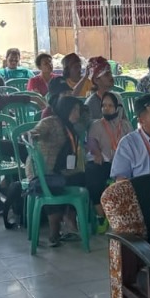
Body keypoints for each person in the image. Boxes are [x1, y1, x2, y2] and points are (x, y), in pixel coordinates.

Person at [28, 95, 87, 245]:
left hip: (61, 171)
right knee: (53, 186)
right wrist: (34, 135)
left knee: (83, 177)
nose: (77, 114)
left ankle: (69, 219)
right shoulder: (50, 122)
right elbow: (36, 132)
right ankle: (55, 228)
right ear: (64, 109)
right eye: (73, 110)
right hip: (44, 172)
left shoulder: (71, 126)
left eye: (78, 110)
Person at [87, 91, 125, 206]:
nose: (106, 109)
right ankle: (100, 214)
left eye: (110, 106)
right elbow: (91, 141)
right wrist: (97, 152)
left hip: (123, 164)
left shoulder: (125, 125)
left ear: (118, 107)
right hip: (105, 163)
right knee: (91, 172)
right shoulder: (96, 125)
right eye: (103, 105)